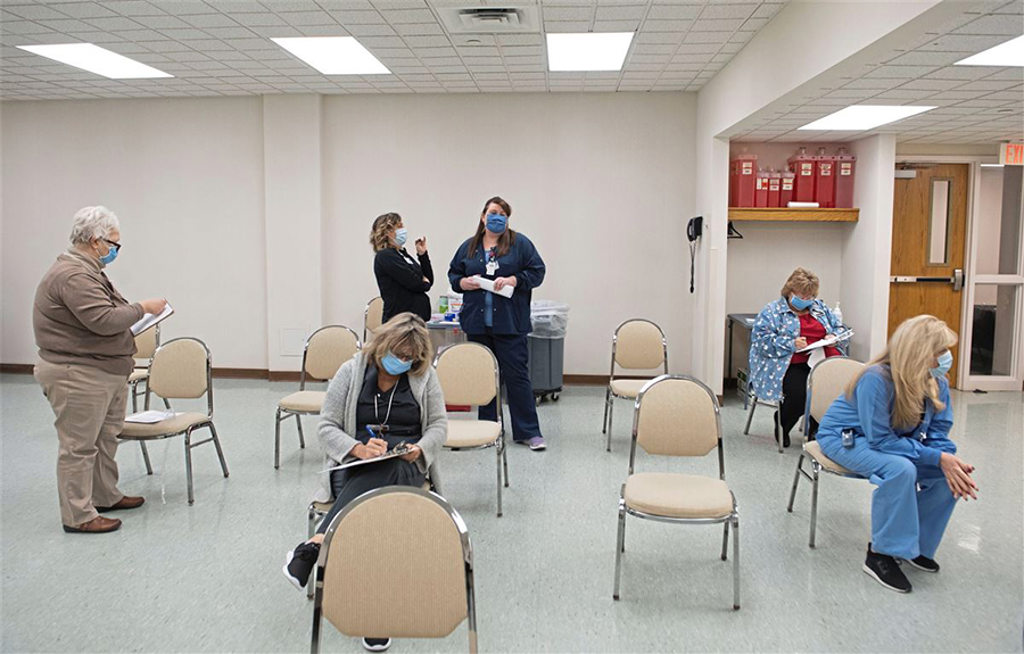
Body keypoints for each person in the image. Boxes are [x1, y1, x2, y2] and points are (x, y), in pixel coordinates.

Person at [282, 313, 446, 650]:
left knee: (392, 473)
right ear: (381, 345)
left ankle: (316, 543)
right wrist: (357, 448)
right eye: (396, 354)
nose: (401, 362)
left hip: (408, 466)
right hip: (353, 465)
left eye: (408, 358)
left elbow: (439, 427)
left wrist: (419, 448)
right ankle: (377, 615)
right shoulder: (351, 371)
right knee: (380, 492)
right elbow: (326, 426)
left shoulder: (424, 377)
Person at [816, 315, 976, 593]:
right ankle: (880, 554)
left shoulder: (936, 381)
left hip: (890, 441)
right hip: (846, 438)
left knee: (946, 472)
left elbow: (938, 432)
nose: (944, 359)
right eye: (939, 352)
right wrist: (937, 457)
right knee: (900, 469)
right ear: (918, 352)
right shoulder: (875, 378)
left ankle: (913, 547)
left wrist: (946, 460)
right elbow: (880, 440)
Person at [33, 206, 167, 534]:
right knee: (79, 447)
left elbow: (107, 311)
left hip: (100, 371)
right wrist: (143, 308)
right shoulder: (73, 275)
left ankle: (105, 495)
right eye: (114, 244)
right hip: (76, 373)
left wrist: (131, 314)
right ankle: (78, 516)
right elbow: (104, 321)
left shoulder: (88, 270)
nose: (115, 251)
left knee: (105, 438)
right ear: (96, 241)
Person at [448, 196, 547, 451]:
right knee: (484, 377)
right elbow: (454, 275)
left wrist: (515, 279)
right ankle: (487, 429)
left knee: (516, 377)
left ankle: (528, 431)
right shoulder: (469, 247)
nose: (497, 217)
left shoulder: (519, 244)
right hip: (478, 323)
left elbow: (537, 271)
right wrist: (463, 283)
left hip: (510, 324)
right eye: (493, 212)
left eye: (503, 213)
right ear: (483, 216)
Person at [749, 267, 845, 447]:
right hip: (786, 363)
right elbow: (760, 342)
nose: (806, 300)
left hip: (820, 360)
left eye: (810, 297)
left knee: (832, 390)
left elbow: (840, 328)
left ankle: (816, 428)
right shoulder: (772, 311)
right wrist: (791, 344)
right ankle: (782, 423)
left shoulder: (819, 308)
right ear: (790, 291)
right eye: (802, 296)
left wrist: (833, 337)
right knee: (801, 393)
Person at [370, 212, 433, 322]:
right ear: (388, 232)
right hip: (399, 321)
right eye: (399, 226)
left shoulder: (402, 254)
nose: (403, 229)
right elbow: (414, 283)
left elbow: (428, 280)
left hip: (416, 319)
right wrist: (423, 283)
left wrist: (422, 256)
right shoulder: (385, 256)